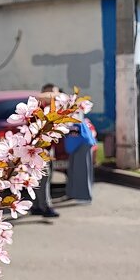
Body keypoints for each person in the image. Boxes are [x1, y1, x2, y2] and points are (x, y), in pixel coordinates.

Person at [31, 83, 60, 218]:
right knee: (43, 178)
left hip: (49, 148)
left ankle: (37, 205)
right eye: (51, 94)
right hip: (39, 149)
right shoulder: (38, 108)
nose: (54, 97)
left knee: (44, 178)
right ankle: (46, 206)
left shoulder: (52, 109)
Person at [64, 113, 96, 203]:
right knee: (74, 171)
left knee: (81, 172)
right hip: (81, 144)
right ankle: (73, 194)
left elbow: (74, 135)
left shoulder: (74, 121)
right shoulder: (76, 118)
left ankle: (83, 196)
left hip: (81, 146)